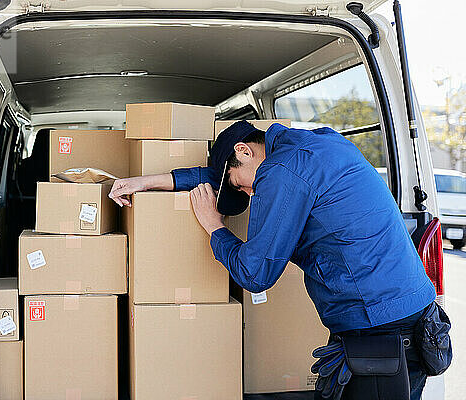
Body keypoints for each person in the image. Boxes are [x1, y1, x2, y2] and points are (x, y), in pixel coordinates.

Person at [109, 120, 437, 399]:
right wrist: (148, 182)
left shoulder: (281, 172)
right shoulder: (319, 143)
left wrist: (213, 226)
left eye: (243, 186)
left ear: (244, 150)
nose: (251, 195)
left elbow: (255, 274)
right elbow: (218, 175)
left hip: (380, 329)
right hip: (412, 315)